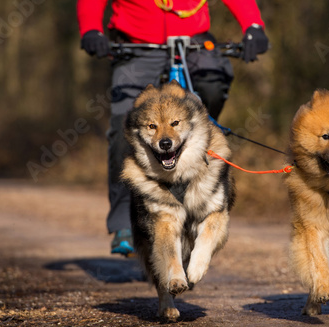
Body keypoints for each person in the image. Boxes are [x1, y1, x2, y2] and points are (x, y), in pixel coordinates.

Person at [76, 0, 269, 256]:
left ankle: (202, 196)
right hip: (137, 43)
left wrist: (253, 24)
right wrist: (91, 28)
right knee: (126, 122)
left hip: (193, 40)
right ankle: (123, 221)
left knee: (213, 81)